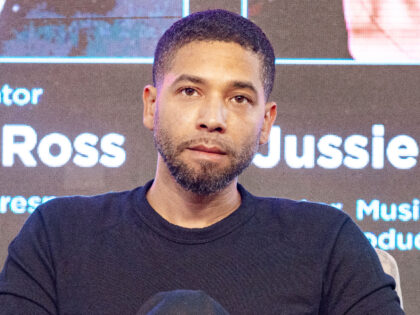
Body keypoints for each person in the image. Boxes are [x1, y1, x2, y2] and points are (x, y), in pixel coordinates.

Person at [0, 9, 404, 314]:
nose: (213, 119)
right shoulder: (58, 235)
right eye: (190, 91)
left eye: (239, 98)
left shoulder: (326, 242)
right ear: (151, 106)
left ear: (266, 123)